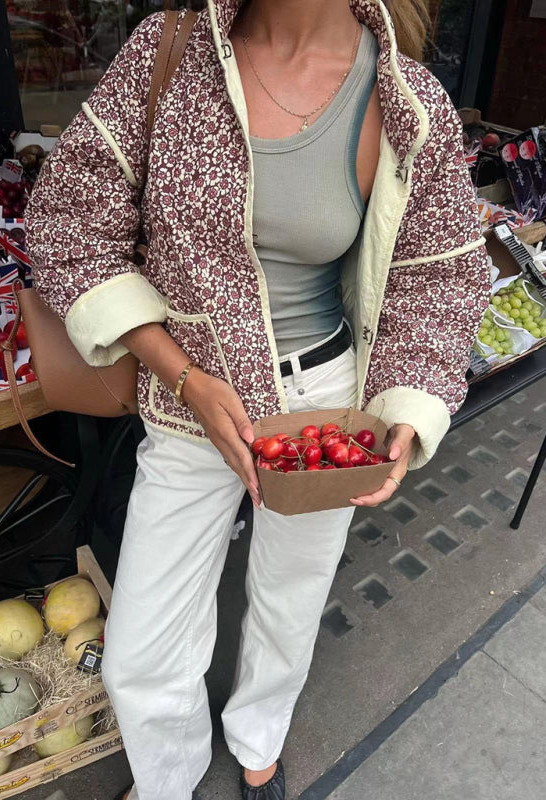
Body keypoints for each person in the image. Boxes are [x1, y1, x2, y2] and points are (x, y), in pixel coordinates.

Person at [24, 0, 492, 797]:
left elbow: (438, 274)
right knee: (143, 640)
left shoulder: (407, 104)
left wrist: (408, 414)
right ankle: (167, 776)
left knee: (290, 597)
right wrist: (184, 377)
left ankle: (258, 741)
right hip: (188, 396)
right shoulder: (169, 54)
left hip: (328, 402)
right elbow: (72, 225)